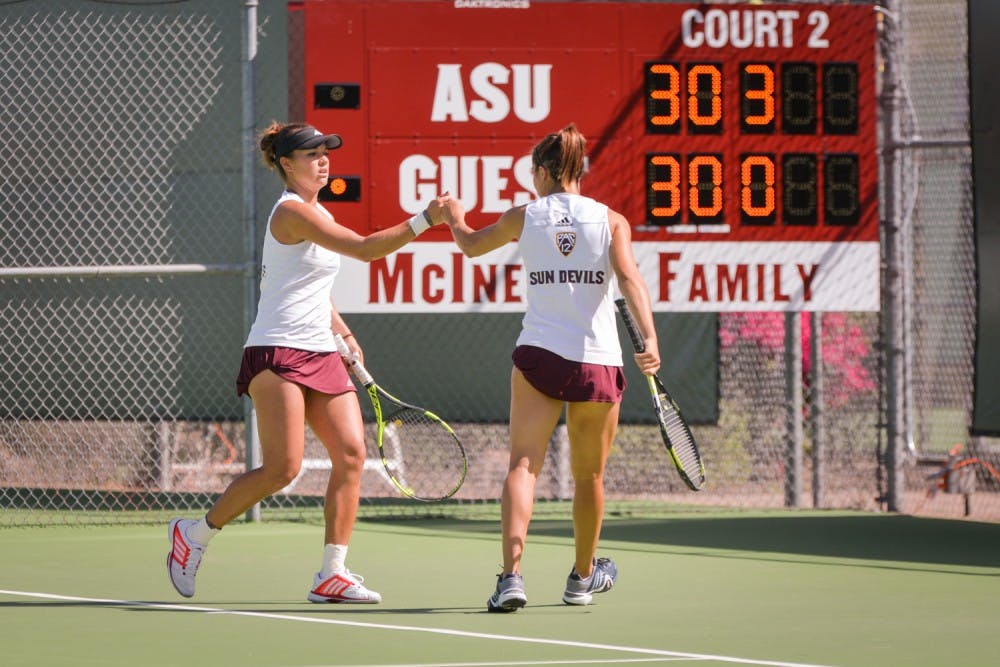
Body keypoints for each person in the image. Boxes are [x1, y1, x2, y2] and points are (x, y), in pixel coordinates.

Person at [167, 121, 449, 603]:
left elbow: (310, 288)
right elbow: (364, 250)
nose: (323, 160)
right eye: (311, 153)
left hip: (320, 349)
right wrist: (426, 218)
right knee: (283, 468)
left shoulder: (318, 211)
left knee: (352, 454)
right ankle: (194, 535)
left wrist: (342, 331)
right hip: (276, 352)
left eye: (326, 152)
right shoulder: (292, 214)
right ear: (284, 164)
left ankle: (331, 573)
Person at [439, 123, 660, 611]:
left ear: (542, 171)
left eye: (532, 173)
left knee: (523, 465)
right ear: (579, 172)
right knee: (590, 479)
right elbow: (631, 279)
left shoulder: (525, 216)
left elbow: (472, 246)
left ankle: (511, 578)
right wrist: (651, 338)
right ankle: (582, 578)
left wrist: (455, 217)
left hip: (540, 356)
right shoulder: (612, 220)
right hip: (597, 364)